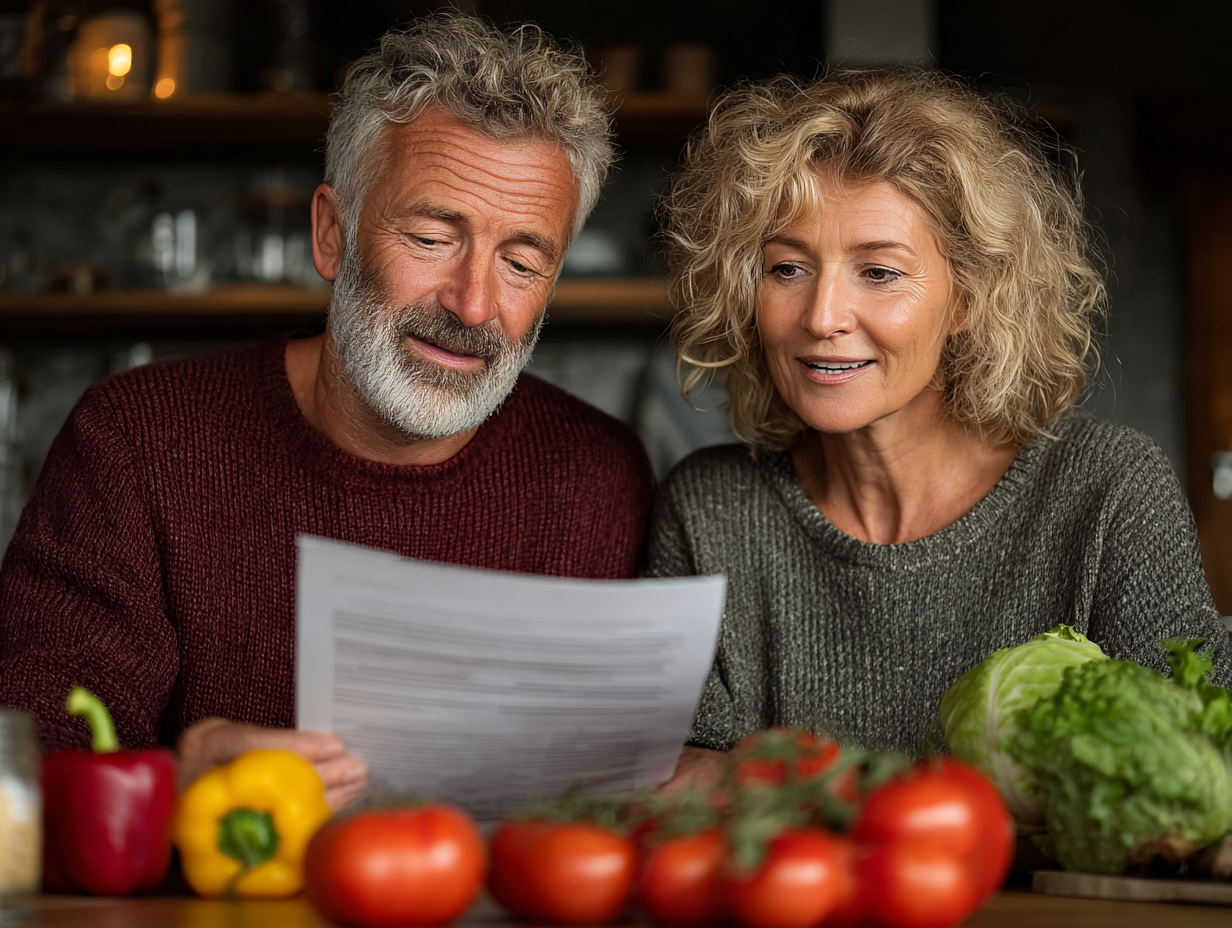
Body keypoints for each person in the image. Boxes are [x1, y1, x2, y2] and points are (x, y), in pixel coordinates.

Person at [0, 13, 653, 809]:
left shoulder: (600, 478)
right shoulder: (136, 440)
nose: (474, 304)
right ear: (332, 234)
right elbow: (29, 755)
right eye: (430, 238)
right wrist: (172, 787)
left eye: (520, 262)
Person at [651, 69, 1230, 785]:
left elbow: (1192, 767)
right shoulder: (708, 510)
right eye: (788, 269)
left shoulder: (1108, 490)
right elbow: (668, 780)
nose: (822, 317)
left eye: (880, 272)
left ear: (968, 299)